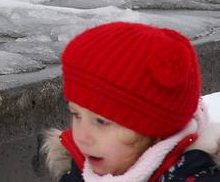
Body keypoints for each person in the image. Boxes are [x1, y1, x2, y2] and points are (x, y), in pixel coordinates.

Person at [43, 21, 218, 182]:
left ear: (155, 132)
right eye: (76, 115)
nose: (81, 136)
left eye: (101, 122)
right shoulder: (77, 171)